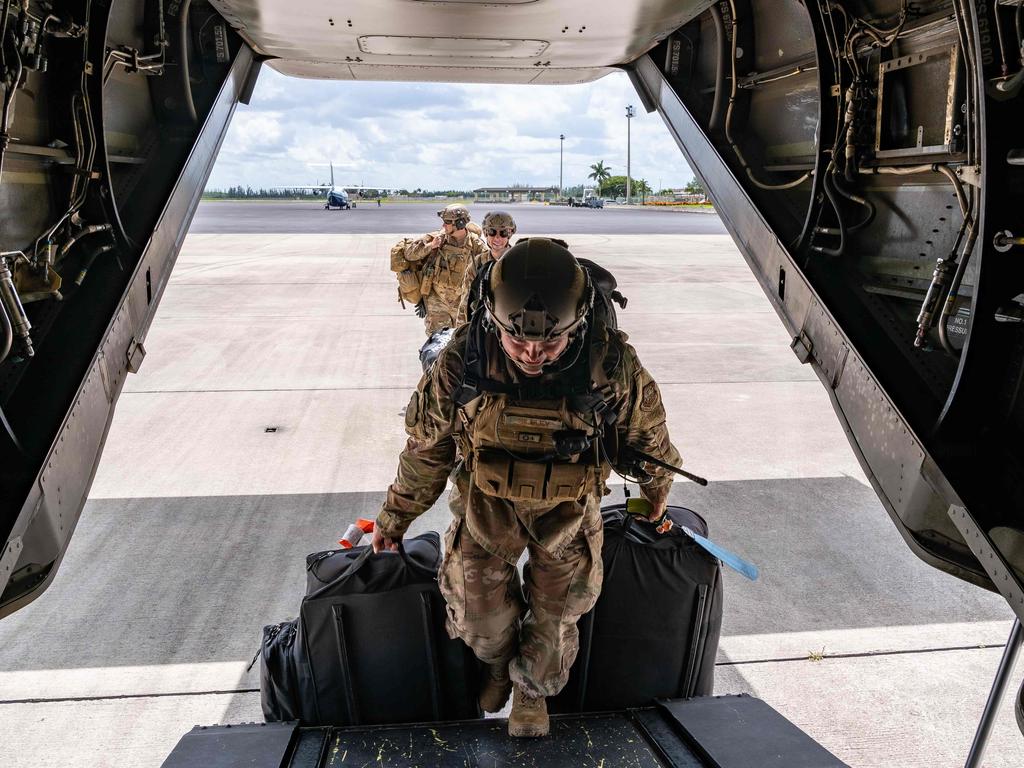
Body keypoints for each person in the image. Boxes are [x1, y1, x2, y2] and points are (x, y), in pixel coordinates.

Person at [373, 238, 682, 737]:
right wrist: (395, 516)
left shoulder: (612, 366)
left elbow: (650, 442)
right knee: (478, 616)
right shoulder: (461, 361)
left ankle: (530, 691)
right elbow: (427, 449)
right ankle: (497, 664)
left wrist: (656, 496)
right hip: (486, 507)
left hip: (567, 513)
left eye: (549, 344)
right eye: (517, 343)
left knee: (557, 617)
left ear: (578, 323)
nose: (532, 353)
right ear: (494, 321)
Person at [404, 204, 487, 334]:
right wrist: (431, 246)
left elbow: (491, 268)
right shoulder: (438, 238)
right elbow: (409, 254)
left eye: (447, 222)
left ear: (460, 223)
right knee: (437, 345)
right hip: (437, 303)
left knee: (461, 344)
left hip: (462, 304)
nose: (443, 226)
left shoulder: (476, 245)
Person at [456, 210, 517, 326]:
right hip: (483, 326)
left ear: (510, 234)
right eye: (492, 232)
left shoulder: (519, 261)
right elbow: (465, 302)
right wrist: (463, 331)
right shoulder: (477, 264)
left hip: (511, 327)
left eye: (503, 233)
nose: (497, 238)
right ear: (485, 233)